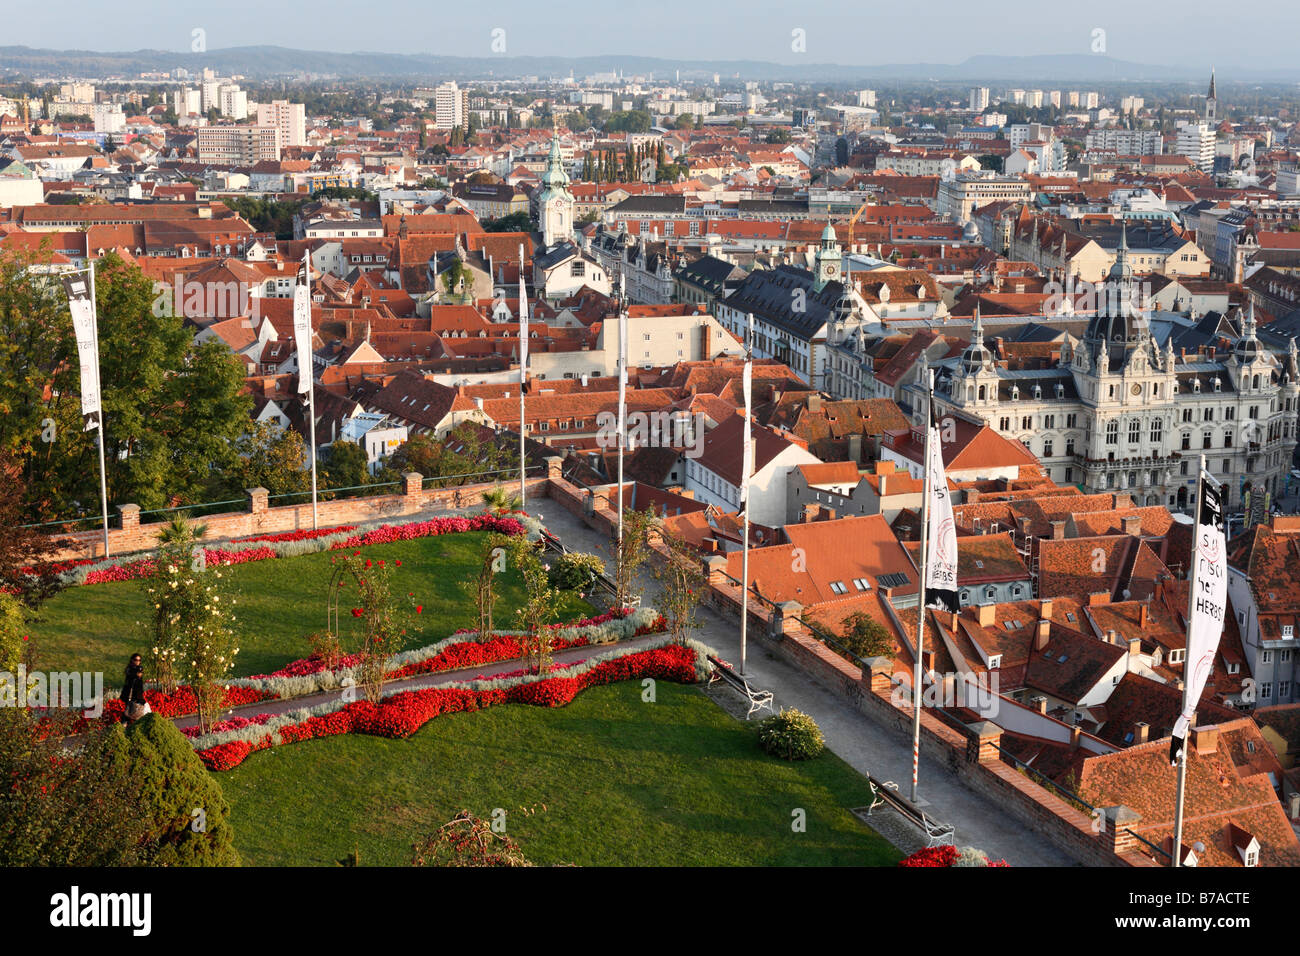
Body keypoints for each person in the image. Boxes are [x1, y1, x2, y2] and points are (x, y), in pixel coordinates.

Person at [119, 654, 149, 722]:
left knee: (132, 713)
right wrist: (136, 675)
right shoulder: (130, 670)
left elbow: (139, 686)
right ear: (132, 660)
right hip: (130, 695)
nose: (137, 662)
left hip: (136, 696)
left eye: (139, 660)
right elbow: (130, 682)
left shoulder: (139, 669)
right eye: (136, 660)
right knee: (128, 713)